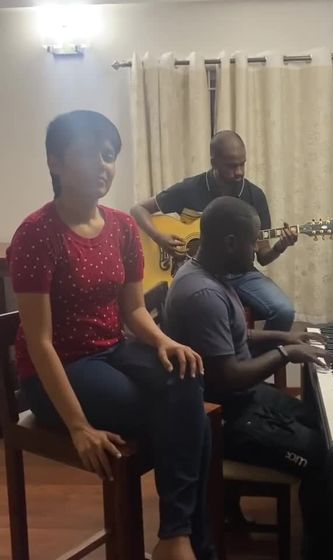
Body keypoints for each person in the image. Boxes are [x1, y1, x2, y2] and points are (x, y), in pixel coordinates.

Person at [7, 110, 215, 560]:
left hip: (113, 349)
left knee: (188, 377)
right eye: (90, 153)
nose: (103, 165)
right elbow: (39, 341)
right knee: (185, 419)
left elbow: (134, 310)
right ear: (55, 162)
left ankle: (177, 539)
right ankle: (185, 541)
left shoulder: (122, 226)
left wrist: (164, 341)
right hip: (57, 370)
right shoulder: (36, 234)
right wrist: (78, 426)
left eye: (109, 155)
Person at [164, 196, 333, 557]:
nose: (257, 250)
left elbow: (234, 336)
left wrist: (284, 337)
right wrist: (286, 354)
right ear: (230, 243)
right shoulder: (203, 293)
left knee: (320, 422)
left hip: (241, 400)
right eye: (253, 242)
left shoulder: (207, 274)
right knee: (321, 457)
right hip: (224, 417)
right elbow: (229, 377)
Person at [131, 130, 297, 332]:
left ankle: (259, 351)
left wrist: (279, 247)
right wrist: (160, 238)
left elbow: (262, 257)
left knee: (284, 311)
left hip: (240, 273)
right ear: (214, 162)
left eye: (242, 164)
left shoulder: (255, 196)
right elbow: (138, 209)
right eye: (231, 166)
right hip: (197, 273)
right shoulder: (189, 188)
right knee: (196, 317)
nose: (239, 172)